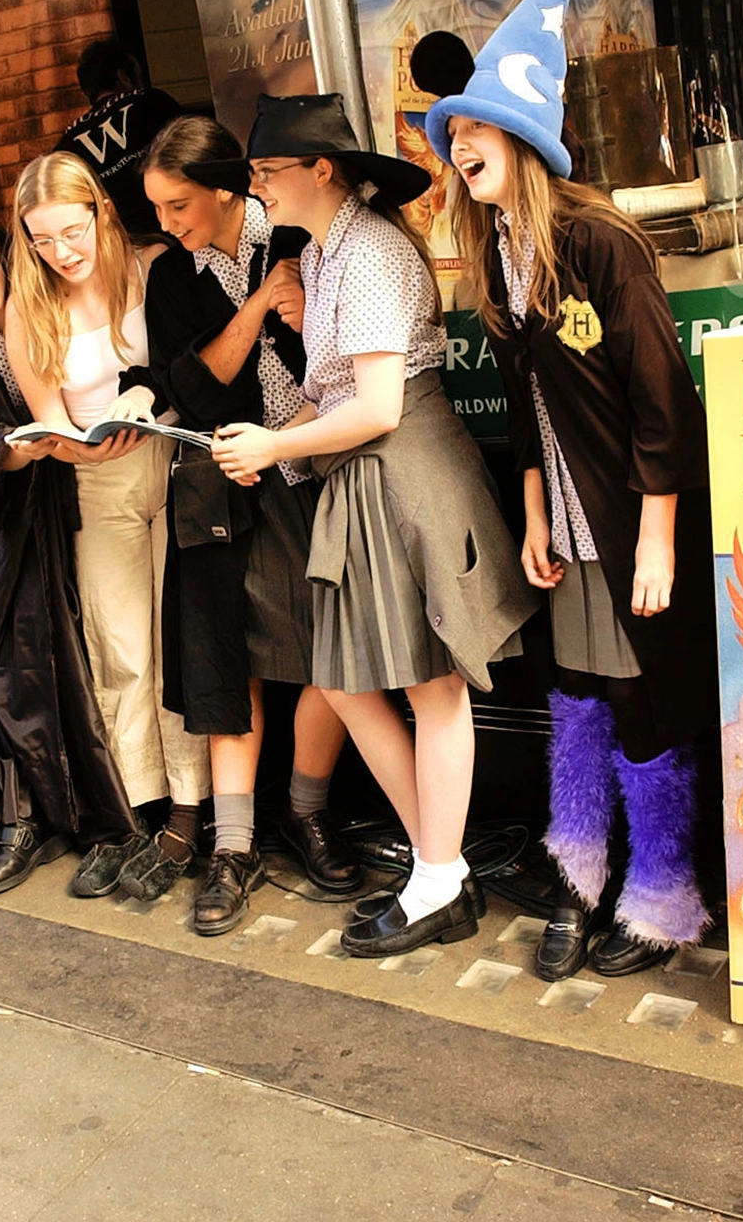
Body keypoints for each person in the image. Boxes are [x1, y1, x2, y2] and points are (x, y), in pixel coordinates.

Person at [428, 0, 717, 978]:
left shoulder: (601, 241)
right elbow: (525, 405)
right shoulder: (496, 251)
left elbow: (661, 399)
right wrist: (533, 513)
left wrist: (655, 532)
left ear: (524, 138)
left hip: (636, 518)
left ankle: (666, 890)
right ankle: (581, 868)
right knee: (580, 692)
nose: (459, 145)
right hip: (572, 517)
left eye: (476, 128)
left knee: (643, 697)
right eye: (451, 132)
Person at [205, 93, 536, 957]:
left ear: (320, 169)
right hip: (366, 476)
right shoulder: (327, 255)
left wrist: (275, 440)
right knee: (354, 684)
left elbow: (380, 405)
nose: (257, 189)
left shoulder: (373, 250)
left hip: (402, 467)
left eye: (267, 173)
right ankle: (443, 869)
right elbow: (341, 396)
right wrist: (270, 429)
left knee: (432, 688)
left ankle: (436, 878)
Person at [137, 116, 360, 936]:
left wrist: (290, 309)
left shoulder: (299, 236)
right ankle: (234, 847)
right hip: (217, 483)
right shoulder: (170, 279)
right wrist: (263, 305)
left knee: (337, 652)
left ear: (228, 187)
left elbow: (337, 363)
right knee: (226, 666)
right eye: (157, 208)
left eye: (180, 204)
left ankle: (306, 812)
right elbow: (194, 390)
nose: (168, 223)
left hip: (312, 472)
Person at [0, 195, 145, 895]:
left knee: (109, 646)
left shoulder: (54, 293)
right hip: (16, 506)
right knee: (21, 667)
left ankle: (116, 816)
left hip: (98, 487)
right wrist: (23, 449)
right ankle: (34, 816)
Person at [3, 151, 210, 895]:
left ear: (98, 209)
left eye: (70, 230)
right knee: (122, 648)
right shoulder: (29, 306)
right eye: (42, 240)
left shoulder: (152, 267)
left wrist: (152, 406)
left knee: (181, 641)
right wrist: (66, 445)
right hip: (97, 480)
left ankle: (192, 808)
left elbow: (192, 369)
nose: (60, 252)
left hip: (178, 463)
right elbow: (51, 422)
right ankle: (137, 810)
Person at [55, 40, 182, 238]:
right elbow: (192, 151)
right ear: (123, 76)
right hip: (170, 228)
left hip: (116, 244)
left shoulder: (68, 141)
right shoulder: (150, 101)